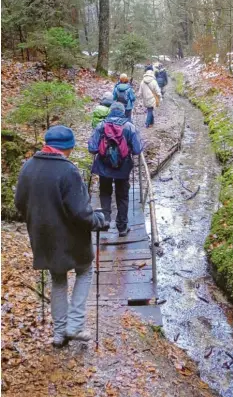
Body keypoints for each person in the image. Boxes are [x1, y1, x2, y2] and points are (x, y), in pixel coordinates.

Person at [15, 125, 106, 348]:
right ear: (69, 147)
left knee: (58, 279)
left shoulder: (28, 167)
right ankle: (74, 325)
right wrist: (98, 221)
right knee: (85, 270)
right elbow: (80, 213)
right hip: (72, 240)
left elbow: (19, 203)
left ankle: (59, 334)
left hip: (44, 238)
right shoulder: (68, 171)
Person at [88, 102, 142, 237]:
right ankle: (122, 227)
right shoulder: (129, 127)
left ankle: (105, 220)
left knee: (105, 192)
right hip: (123, 168)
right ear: (123, 112)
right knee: (122, 196)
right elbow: (137, 150)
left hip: (103, 166)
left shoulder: (101, 126)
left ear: (110, 111)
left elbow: (92, 148)